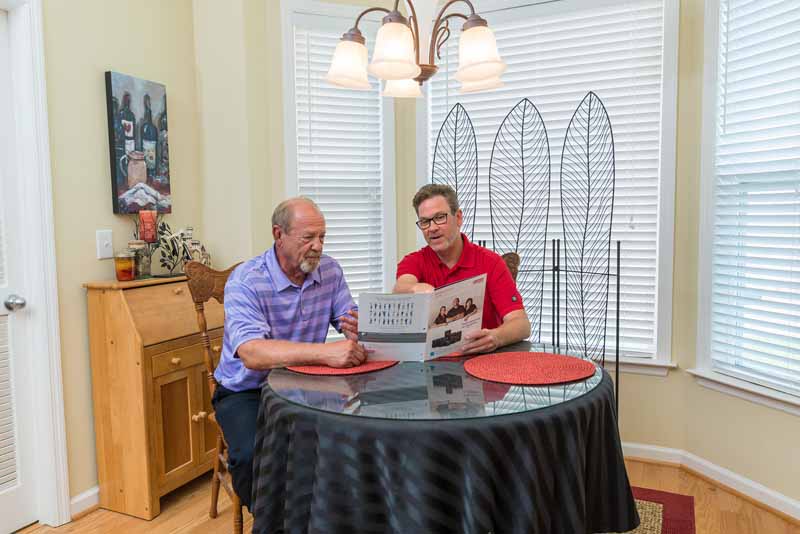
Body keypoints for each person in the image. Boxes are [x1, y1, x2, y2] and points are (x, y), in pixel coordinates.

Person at [212, 197, 366, 511]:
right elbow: (252, 353)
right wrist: (325, 354)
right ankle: (276, 522)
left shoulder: (330, 271)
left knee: (354, 438)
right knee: (251, 455)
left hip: (306, 383)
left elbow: (349, 318)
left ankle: (329, 516)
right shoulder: (246, 280)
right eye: (308, 237)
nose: (318, 246)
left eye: (322, 237)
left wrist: (360, 327)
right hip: (247, 391)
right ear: (278, 235)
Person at [395, 184, 531, 354]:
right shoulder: (414, 261)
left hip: (482, 363)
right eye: (425, 222)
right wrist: (414, 288)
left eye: (440, 217)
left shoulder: (491, 263)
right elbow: (401, 287)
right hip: (431, 365)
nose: (432, 228)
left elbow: (521, 324)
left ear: (458, 218)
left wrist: (496, 337)